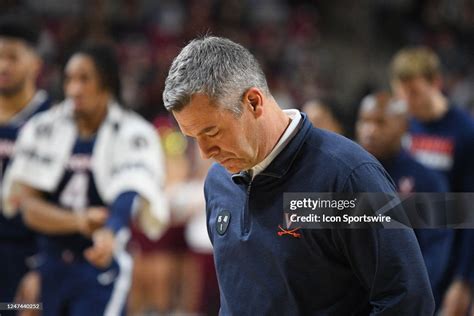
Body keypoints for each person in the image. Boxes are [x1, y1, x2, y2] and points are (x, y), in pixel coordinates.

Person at [163, 36, 434, 315]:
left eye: (212, 132)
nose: (205, 153)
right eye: (193, 138)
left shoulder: (349, 176)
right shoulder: (218, 181)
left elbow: (408, 299)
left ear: (254, 102)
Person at [4, 42, 168, 316]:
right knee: (9, 308)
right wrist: (81, 221)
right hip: (47, 269)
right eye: (69, 79)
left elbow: (127, 194)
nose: (74, 89)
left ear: (106, 83)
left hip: (100, 270)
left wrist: (109, 232)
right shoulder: (44, 127)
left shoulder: (133, 132)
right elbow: (29, 209)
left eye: (84, 79)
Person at [355, 91, 458, 311]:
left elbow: (435, 256)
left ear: (403, 126)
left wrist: (401, 300)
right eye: (364, 121)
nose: (369, 130)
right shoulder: (344, 175)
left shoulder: (429, 182)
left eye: (380, 122)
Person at [391, 47, 474, 316]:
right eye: (401, 93)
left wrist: (464, 281)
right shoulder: (402, 127)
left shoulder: (464, 130)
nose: (407, 101)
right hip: (411, 248)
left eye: (414, 92)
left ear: (436, 83)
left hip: (451, 248)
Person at [0, 14, 50, 309]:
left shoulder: (54, 122)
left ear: (35, 63)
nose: (3, 65)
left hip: (26, 258)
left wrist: (41, 267)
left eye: (12, 57)